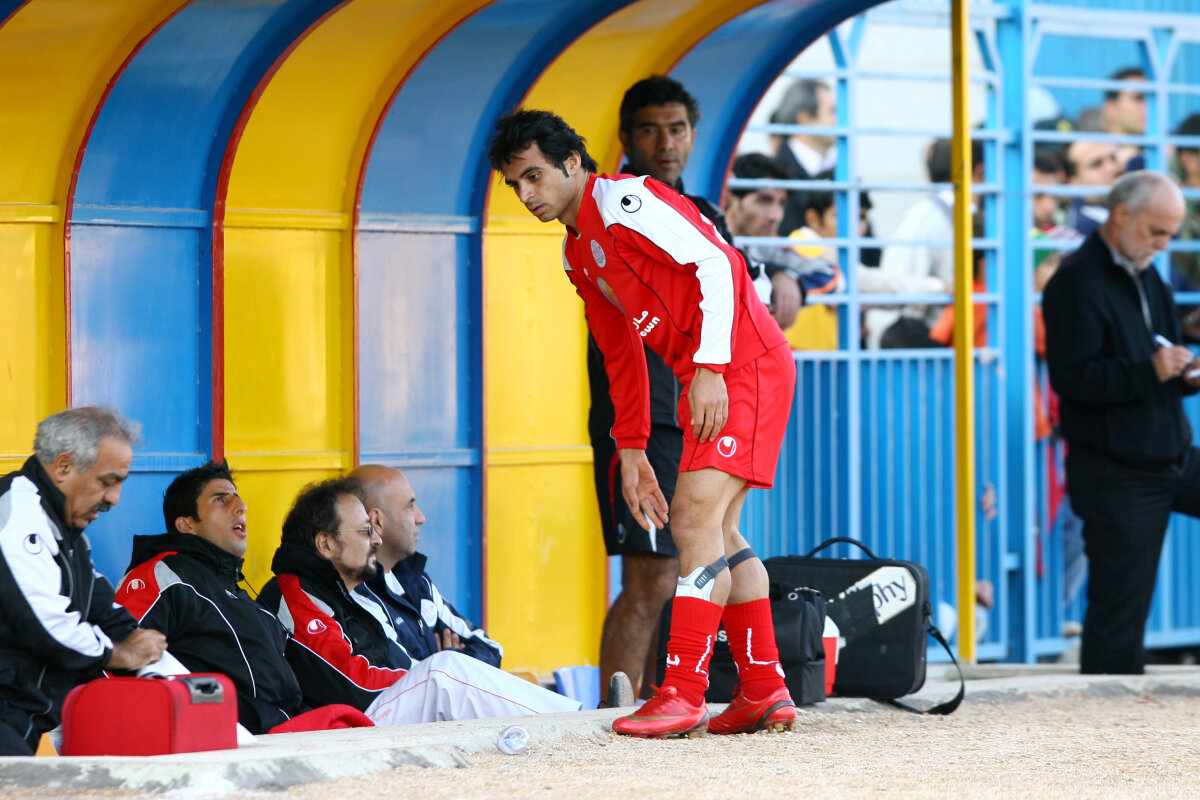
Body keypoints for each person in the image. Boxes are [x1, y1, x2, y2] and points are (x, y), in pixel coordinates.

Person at [489, 109, 797, 737]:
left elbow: (719, 263)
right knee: (721, 532)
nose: (526, 194)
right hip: (720, 373)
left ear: (573, 162)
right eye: (515, 184)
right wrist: (630, 448)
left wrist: (709, 367)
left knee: (691, 520)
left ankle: (683, 692)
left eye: (534, 176)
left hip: (743, 367)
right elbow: (619, 351)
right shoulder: (577, 251)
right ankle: (765, 690)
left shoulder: (626, 201)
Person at [589, 76, 800, 707]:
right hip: (650, 416)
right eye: (650, 130)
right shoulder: (612, 213)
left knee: (715, 538)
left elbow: (738, 280)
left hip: (709, 401)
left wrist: (786, 274)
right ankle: (621, 706)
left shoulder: (703, 212)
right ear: (626, 138)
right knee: (654, 574)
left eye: (677, 128)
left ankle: (738, 689)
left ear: (693, 135)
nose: (665, 143)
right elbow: (617, 338)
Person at [257, 478, 578, 724]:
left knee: (445, 672)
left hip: (371, 713)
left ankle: (569, 722)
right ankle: (570, 726)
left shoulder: (348, 592)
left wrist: (420, 673)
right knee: (443, 672)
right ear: (326, 545)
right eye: (366, 531)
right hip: (343, 725)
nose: (377, 540)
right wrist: (420, 674)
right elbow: (352, 685)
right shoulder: (293, 592)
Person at [1043, 170, 1199, 675]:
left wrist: (1185, 374)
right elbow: (1074, 380)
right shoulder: (1076, 281)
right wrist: (1150, 371)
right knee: (1119, 618)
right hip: (1117, 473)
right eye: (1156, 231)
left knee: (1122, 610)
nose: (1163, 243)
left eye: (1171, 233)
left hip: (1169, 453)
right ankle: (1106, 711)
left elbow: (1159, 354)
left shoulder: (1146, 272)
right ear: (1120, 216)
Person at [0, 407, 166, 755]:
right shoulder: (16, 512)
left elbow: (99, 603)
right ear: (63, 466)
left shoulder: (67, 531)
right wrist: (120, 654)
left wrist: (136, 639)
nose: (114, 499)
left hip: (19, 721)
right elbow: (46, 626)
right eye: (107, 482)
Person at [116, 461, 310, 734]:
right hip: (222, 737)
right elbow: (119, 657)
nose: (241, 507)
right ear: (186, 525)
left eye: (238, 498)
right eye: (221, 499)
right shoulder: (163, 575)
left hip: (285, 730)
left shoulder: (242, 595)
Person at [348, 464, 502, 667]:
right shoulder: (358, 595)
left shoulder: (417, 582)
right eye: (410, 507)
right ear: (376, 521)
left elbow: (491, 649)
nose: (421, 518)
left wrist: (444, 662)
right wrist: (447, 661)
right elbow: (408, 678)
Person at [865, 137, 983, 348]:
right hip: (926, 349)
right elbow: (901, 299)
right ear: (980, 172)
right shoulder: (930, 220)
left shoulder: (933, 216)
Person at [771, 78, 838, 236]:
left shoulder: (842, 171)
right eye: (832, 111)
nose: (840, 120)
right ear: (804, 118)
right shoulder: (775, 175)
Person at [1063, 139, 1122, 237]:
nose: (1111, 167)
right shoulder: (1084, 226)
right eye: (1096, 164)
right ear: (1073, 182)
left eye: (1113, 158)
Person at [1099, 67, 1147, 171]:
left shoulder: (1163, 155)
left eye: (1152, 99)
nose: (1148, 106)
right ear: (1111, 108)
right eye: (1138, 98)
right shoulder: (1093, 158)